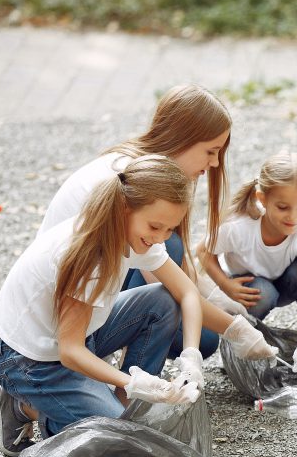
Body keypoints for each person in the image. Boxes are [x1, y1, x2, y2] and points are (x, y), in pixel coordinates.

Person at [0, 156, 206, 457]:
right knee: (116, 442)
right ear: (124, 209)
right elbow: (70, 351)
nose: (160, 238)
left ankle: (123, 406)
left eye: (169, 229)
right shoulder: (89, 254)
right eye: (156, 226)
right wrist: (134, 381)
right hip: (30, 361)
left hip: (78, 336)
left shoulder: (131, 231)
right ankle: (25, 407)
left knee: (162, 301)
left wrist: (191, 356)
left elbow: (187, 293)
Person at [38, 84, 233, 360]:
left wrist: (219, 302)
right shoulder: (131, 181)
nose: (214, 163)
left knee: (205, 338)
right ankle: (123, 372)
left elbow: (182, 275)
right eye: (210, 151)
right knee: (172, 254)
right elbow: (172, 277)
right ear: (183, 139)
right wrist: (239, 330)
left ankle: (123, 375)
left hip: (92, 293)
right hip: (62, 316)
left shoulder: (149, 171)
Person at [198, 152, 297, 370]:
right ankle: (236, 345)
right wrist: (225, 284)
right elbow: (203, 251)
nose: (293, 217)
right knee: (264, 291)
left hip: (284, 281)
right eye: (283, 207)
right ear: (262, 199)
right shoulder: (239, 227)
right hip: (248, 287)